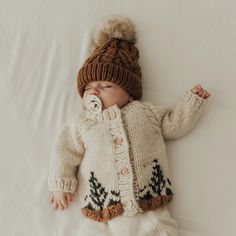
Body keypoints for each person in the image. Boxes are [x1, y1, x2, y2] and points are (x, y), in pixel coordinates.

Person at [48, 16, 211, 236]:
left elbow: (173, 124)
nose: (95, 91)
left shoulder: (144, 112)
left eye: (105, 85)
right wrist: (61, 184)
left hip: (149, 209)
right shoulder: (82, 123)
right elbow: (65, 150)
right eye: (88, 88)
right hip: (101, 212)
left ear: (129, 92)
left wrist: (192, 104)